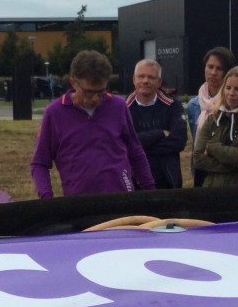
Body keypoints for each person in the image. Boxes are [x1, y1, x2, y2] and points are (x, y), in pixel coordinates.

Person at [30, 49, 155, 198]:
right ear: (73, 83)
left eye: (101, 91)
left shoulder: (118, 107)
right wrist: (46, 197)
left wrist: (151, 193)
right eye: (89, 92)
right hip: (79, 204)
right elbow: (39, 163)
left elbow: (136, 153)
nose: (96, 98)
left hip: (121, 199)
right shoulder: (55, 113)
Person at [193, 66, 238, 186]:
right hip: (212, 190)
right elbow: (198, 159)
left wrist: (212, 148)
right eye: (228, 88)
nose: (231, 93)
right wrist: (236, 156)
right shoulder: (213, 119)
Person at [126, 59, 187, 188]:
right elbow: (124, 145)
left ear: (159, 82)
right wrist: (160, 133)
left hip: (168, 182)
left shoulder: (172, 105)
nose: (145, 81)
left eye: (151, 77)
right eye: (141, 76)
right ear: (134, 79)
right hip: (133, 184)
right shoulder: (123, 108)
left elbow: (179, 141)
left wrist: (139, 146)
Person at [187, 46, 237, 186]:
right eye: (210, 67)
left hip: (227, 171)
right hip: (201, 169)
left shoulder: (234, 103)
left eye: (219, 68)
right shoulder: (194, 105)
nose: (213, 72)